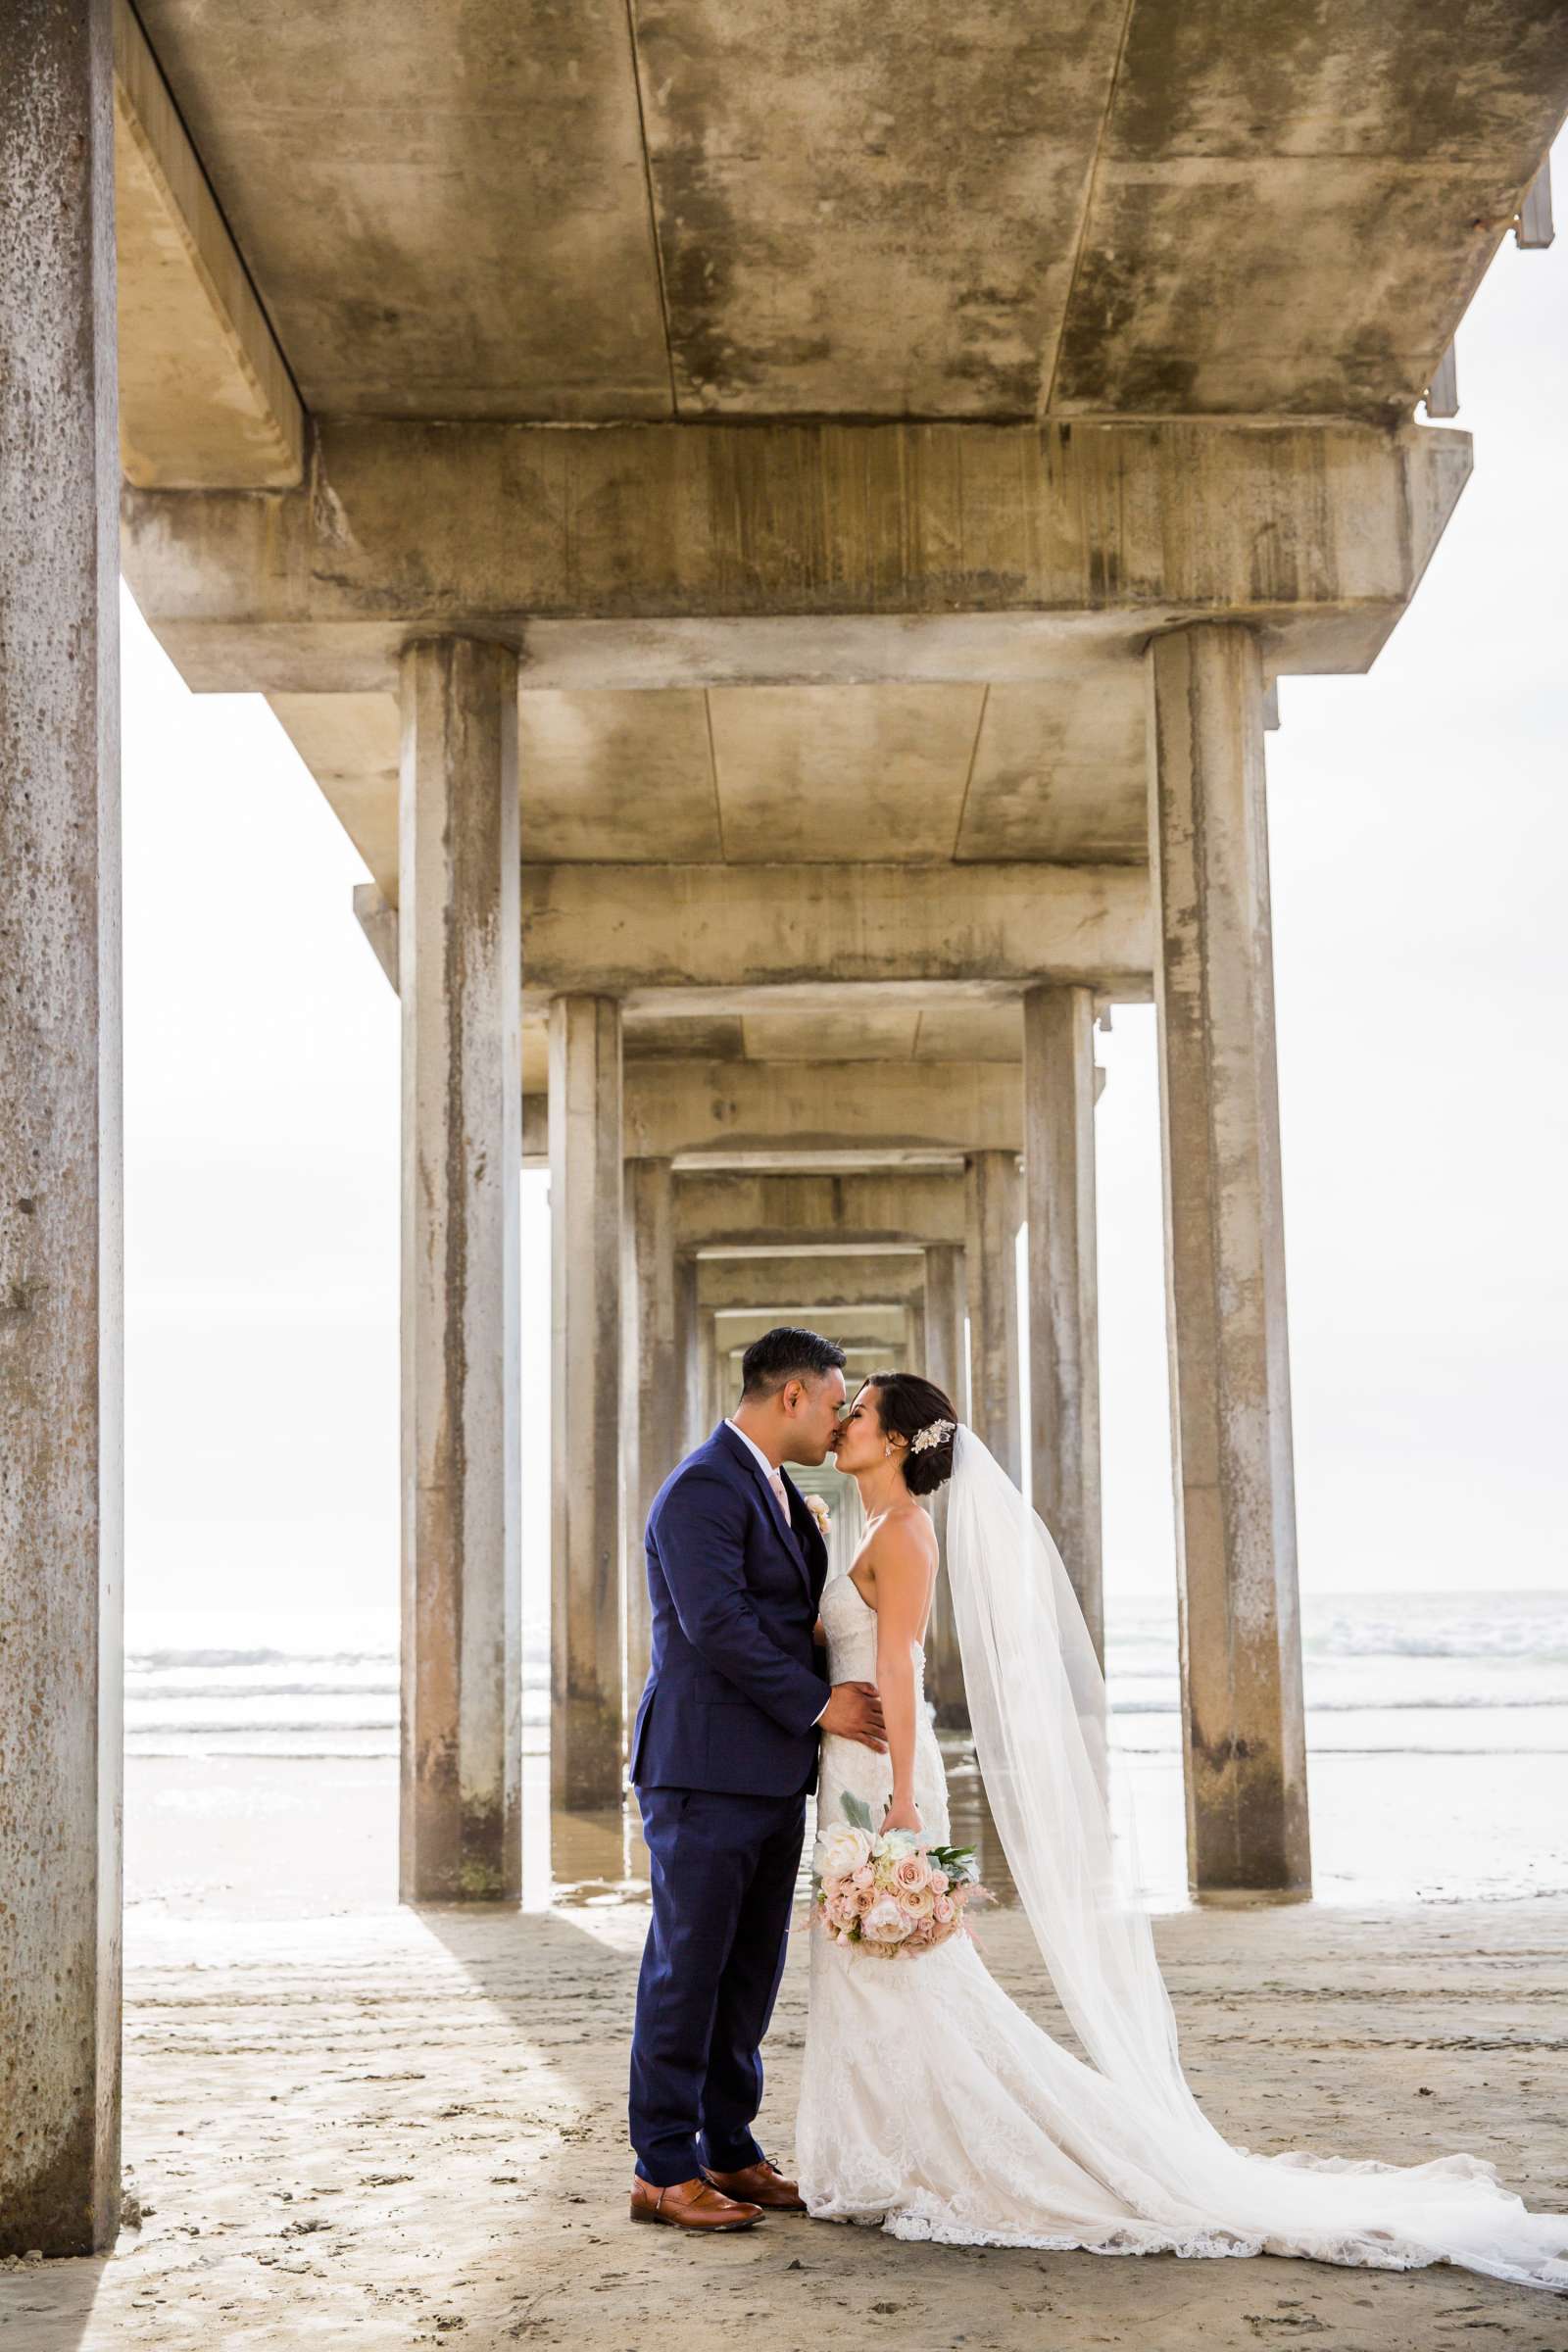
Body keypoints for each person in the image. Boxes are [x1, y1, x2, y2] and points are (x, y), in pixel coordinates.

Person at [793, 1370, 1568, 2291]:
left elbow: (901, 1670)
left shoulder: (909, 1536)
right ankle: (880, 2145)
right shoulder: (868, 1528)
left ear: (895, 1442)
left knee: (899, 1967)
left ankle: (917, 2154)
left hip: (883, 1768)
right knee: (867, 1966)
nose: (844, 1422)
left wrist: (908, 1802)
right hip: (851, 1759)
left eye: (861, 1411)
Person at [625, 1326, 888, 2231]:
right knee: (686, 1969)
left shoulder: (777, 1488)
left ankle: (728, 2148)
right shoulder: (701, 1488)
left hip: (772, 1776)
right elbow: (720, 1626)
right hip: (702, 1771)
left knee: (748, 1974)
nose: (838, 1417)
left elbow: (782, 1615)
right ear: (791, 1396)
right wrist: (825, 1707)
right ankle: (662, 2168)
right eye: (832, 1401)